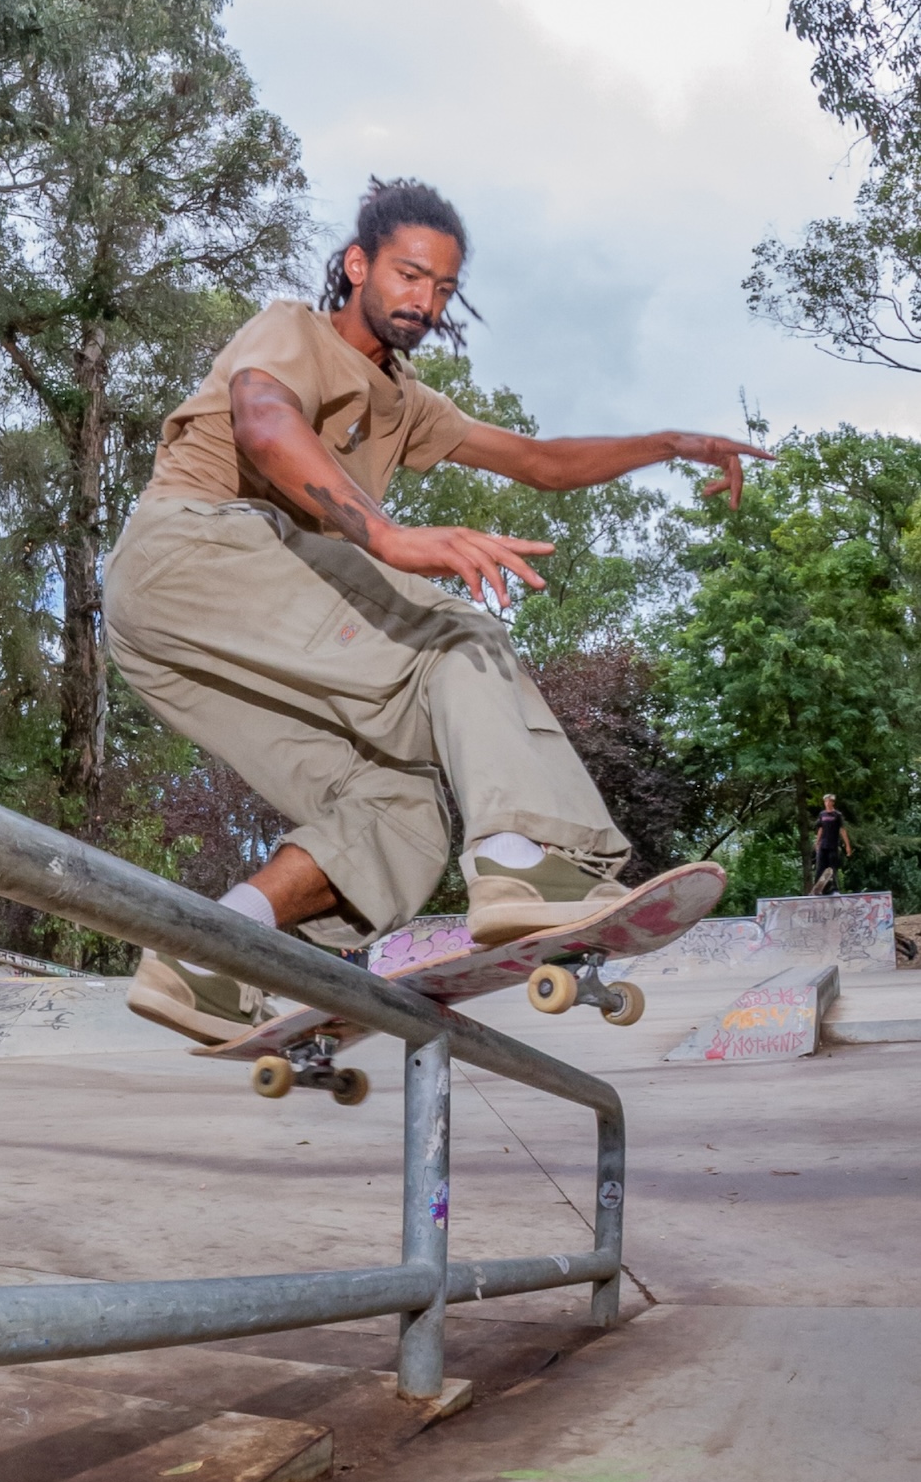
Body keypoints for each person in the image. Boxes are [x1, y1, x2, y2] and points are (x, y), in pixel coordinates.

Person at [104, 177, 768, 1045]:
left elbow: (538, 461)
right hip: (195, 549)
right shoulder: (293, 330)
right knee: (452, 637)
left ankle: (213, 954)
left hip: (168, 634)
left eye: (444, 288)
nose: (425, 301)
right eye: (409, 276)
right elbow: (264, 421)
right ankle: (535, 857)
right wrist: (385, 535)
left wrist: (672, 444)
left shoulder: (407, 402)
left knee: (400, 811)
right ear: (357, 267)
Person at [812, 794, 852, 894]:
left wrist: (847, 846)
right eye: (826, 802)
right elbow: (820, 828)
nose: (827, 804)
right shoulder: (822, 814)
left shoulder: (837, 815)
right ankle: (819, 888)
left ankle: (834, 889)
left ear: (833, 803)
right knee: (820, 867)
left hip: (833, 845)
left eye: (829, 801)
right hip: (823, 845)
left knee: (832, 868)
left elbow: (842, 830)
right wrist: (817, 842)